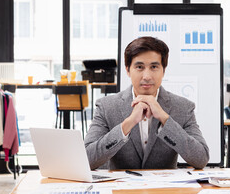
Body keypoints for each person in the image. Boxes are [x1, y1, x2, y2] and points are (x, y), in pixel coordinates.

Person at [84, 36, 209, 170]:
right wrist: (128, 124)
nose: (147, 76)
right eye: (139, 67)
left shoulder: (183, 107)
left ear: (163, 70)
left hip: (165, 189)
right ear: (127, 70)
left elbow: (201, 159)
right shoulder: (106, 106)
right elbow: (86, 159)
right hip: (121, 190)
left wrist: (165, 118)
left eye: (154, 67)